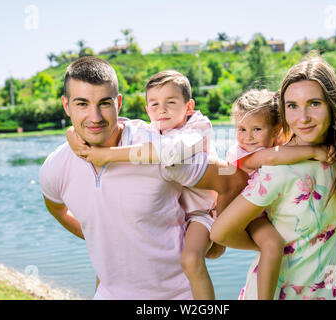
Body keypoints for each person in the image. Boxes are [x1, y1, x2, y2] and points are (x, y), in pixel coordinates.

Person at [39, 56, 248, 300]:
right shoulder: (55, 167)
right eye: (82, 104)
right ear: (66, 106)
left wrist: (217, 238)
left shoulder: (157, 150)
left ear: (118, 103)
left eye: (104, 103)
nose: (94, 116)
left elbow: (233, 180)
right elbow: (58, 209)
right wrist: (103, 235)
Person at [211, 55, 336, 300]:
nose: (302, 117)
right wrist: (272, 247)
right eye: (292, 106)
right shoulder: (277, 170)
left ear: (333, 106)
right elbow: (220, 233)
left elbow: (318, 244)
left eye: (314, 103)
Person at [225, 88, 335, 300]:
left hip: (263, 211)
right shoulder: (242, 153)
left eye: (256, 129)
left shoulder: (277, 143)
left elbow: (285, 148)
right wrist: (314, 151)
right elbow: (274, 157)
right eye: (241, 129)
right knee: (272, 245)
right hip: (247, 214)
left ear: (276, 131)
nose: (247, 137)